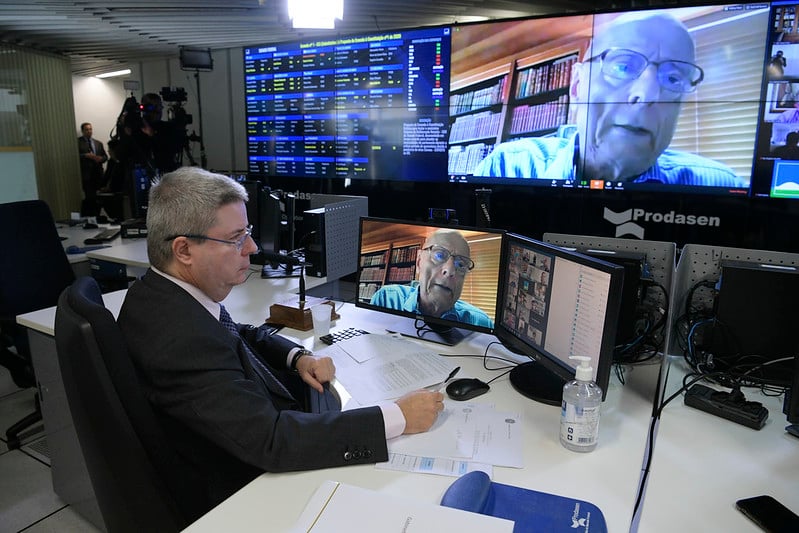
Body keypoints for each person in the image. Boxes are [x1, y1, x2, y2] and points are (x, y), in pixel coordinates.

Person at [117, 167, 444, 511]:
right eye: (236, 238)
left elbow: (237, 333)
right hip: (242, 492)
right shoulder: (178, 338)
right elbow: (273, 441)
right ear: (183, 250)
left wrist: (298, 357)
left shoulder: (162, 296)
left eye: (249, 232)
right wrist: (395, 416)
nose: (253, 247)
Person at [472, 12, 745, 188]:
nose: (647, 95)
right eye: (623, 66)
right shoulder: (508, 168)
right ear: (577, 85)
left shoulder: (722, 186)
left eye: (673, 79)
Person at [369, 228, 493, 328]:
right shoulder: (386, 300)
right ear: (418, 262)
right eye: (439, 255)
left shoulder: (482, 323)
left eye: (460, 264)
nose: (449, 271)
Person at [77, 122, 108, 216]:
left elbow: (105, 156)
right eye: (87, 129)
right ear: (82, 131)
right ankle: (90, 216)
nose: (89, 131)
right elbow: (75, 156)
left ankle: (98, 215)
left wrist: (100, 159)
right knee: (89, 197)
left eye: (90, 129)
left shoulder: (98, 143)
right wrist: (86, 156)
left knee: (99, 198)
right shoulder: (78, 142)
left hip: (98, 174)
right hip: (86, 175)